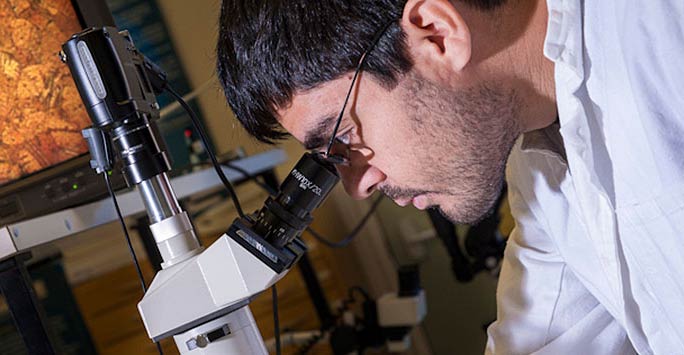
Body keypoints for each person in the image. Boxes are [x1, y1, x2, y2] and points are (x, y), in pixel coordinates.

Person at [216, 0, 684, 353]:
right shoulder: (540, 166)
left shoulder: (662, 36)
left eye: (341, 139)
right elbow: (542, 339)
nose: (359, 187)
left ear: (437, 34)